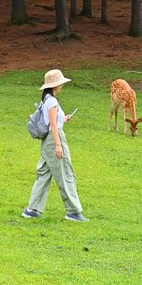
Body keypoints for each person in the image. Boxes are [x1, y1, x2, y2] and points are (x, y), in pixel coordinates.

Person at [22, 69, 88, 221]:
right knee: (65, 173)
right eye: (60, 84)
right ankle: (73, 211)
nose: (62, 86)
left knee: (44, 174)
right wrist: (58, 145)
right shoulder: (52, 101)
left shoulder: (47, 100)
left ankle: (31, 209)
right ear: (55, 85)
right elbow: (52, 124)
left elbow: (52, 121)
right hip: (54, 140)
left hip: (48, 142)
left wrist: (63, 119)